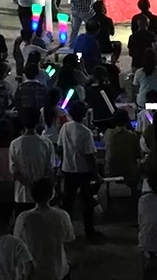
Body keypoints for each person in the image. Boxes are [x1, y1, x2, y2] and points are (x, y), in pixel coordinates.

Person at [14, 178, 74, 280]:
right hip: (57, 270)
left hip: (33, 271)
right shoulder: (62, 215)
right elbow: (68, 240)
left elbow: (18, 243)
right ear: (51, 194)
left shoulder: (24, 218)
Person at [59, 100, 100, 239]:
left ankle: (65, 230)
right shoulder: (85, 132)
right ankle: (89, 231)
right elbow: (89, 156)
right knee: (87, 202)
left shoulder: (65, 127)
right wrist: (96, 174)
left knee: (68, 202)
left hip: (68, 169)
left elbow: (60, 147)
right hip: (83, 171)